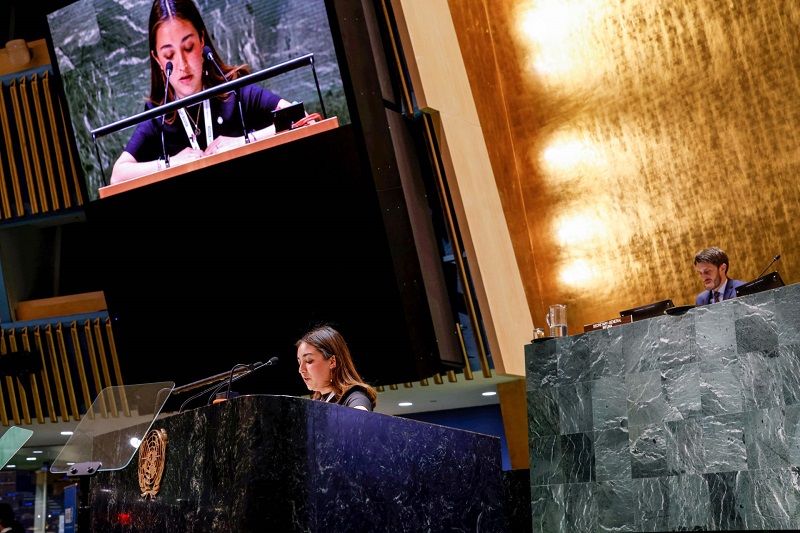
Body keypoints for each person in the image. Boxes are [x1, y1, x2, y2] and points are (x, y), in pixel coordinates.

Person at [110, 0, 293, 184]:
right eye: (169, 56)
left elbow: (299, 117)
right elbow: (117, 176)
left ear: (201, 40)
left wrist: (242, 141)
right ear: (157, 59)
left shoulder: (235, 93)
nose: (182, 64)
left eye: (188, 47)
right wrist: (170, 163)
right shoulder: (159, 118)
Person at [296, 325, 377, 411]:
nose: (301, 370)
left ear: (332, 362)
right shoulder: (317, 402)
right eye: (299, 363)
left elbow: (361, 416)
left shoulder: (355, 397)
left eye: (309, 361)